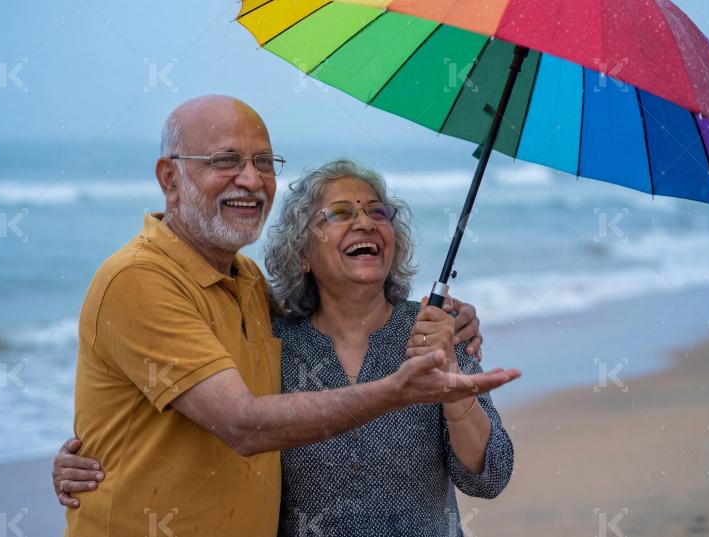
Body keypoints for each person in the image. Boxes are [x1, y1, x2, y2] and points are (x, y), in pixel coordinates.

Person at [56, 95, 519, 537]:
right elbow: (235, 419)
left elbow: (489, 477)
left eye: (379, 212)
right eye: (225, 160)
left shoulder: (251, 289)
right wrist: (81, 457)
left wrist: (453, 373)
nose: (251, 179)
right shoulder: (168, 288)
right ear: (301, 253)